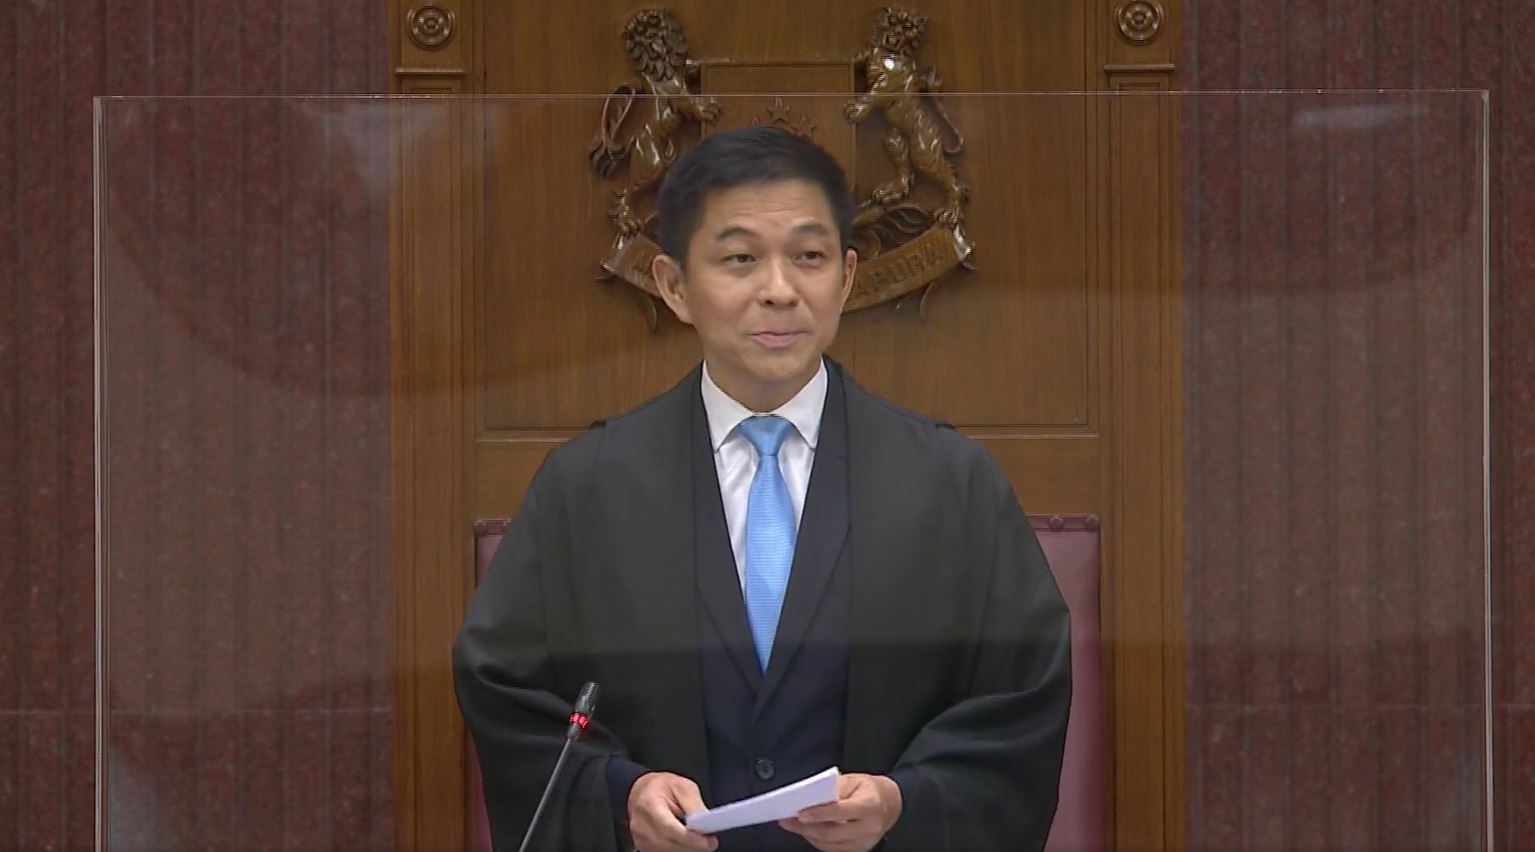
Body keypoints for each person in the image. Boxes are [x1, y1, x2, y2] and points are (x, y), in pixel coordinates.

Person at [454, 126, 1071, 852]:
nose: (779, 291)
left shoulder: (951, 484)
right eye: (740, 258)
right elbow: (505, 691)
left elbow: (1020, 704)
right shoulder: (586, 487)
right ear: (674, 285)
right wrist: (621, 793)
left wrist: (904, 802)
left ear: (845, 279)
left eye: (808, 257)